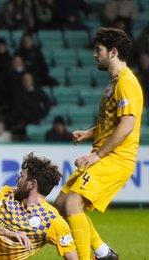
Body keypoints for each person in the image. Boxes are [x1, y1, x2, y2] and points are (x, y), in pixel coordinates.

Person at [54, 27, 142, 260]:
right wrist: (90, 133)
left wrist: (97, 155)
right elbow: (113, 123)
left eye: (98, 50)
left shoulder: (126, 82)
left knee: (73, 202)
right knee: (61, 204)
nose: (95, 54)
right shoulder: (114, 83)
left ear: (113, 52)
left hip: (116, 158)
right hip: (106, 154)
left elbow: (127, 125)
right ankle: (103, 254)